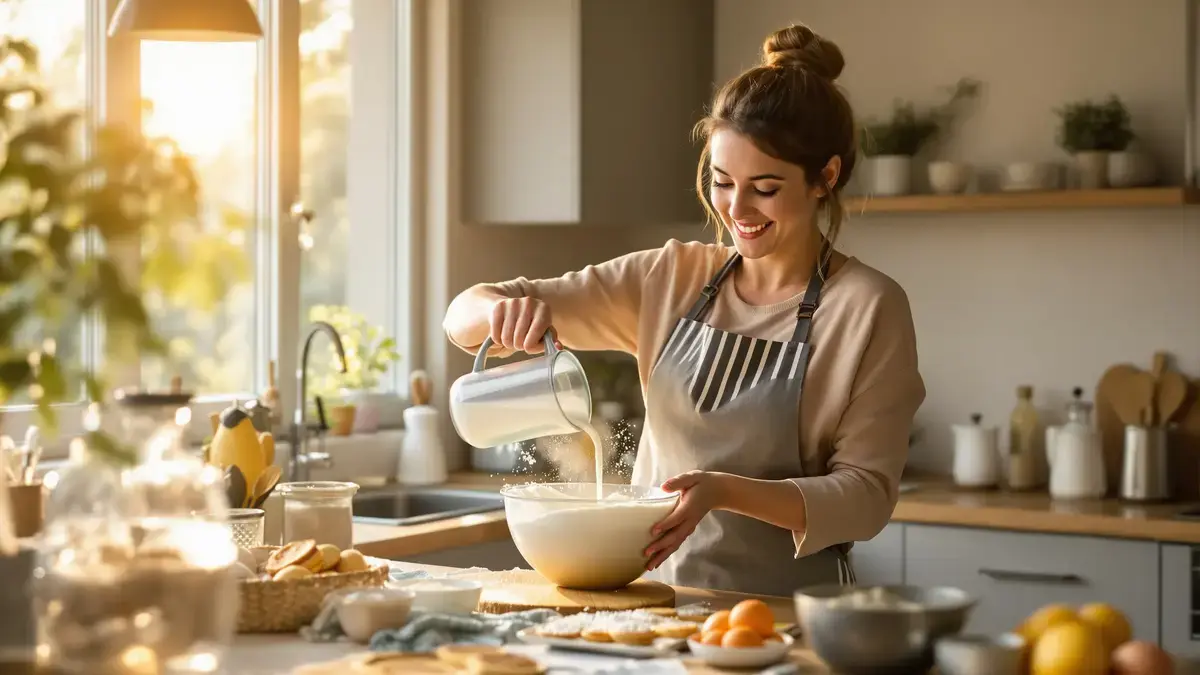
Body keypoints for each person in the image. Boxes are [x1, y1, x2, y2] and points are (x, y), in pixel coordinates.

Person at [443, 23, 925, 597]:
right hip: (655, 605)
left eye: (765, 188)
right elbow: (461, 316)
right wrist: (500, 313)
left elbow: (867, 498)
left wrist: (724, 491)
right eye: (723, 182)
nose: (737, 208)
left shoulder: (869, 307)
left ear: (825, 177)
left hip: (781, 616)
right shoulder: (670, 277)